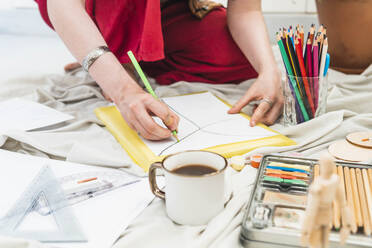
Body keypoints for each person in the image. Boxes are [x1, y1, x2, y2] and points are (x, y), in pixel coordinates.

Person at [35, 0, 283, 140]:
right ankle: (109, 56)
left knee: (237, 57)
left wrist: (268, 71)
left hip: (166, 7)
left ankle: (132, 49)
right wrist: (123, 90)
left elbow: (247, 9)